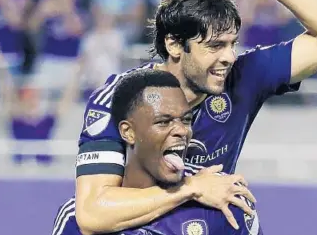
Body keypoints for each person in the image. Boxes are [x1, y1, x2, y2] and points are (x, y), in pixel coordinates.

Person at [75, 0, 317, 234]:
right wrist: (190, 189)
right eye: (214, 46)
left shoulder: (243, 76)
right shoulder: (120, 98)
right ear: (174, 44)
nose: (228, 57)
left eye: (232, 44)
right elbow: (92, 214)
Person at [53, 69, 261, 235]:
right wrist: (188, 188)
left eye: (186, 120)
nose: (181, 130)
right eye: (163, 121)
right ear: (128, 132)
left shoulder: (223, 199)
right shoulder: (76, 219)